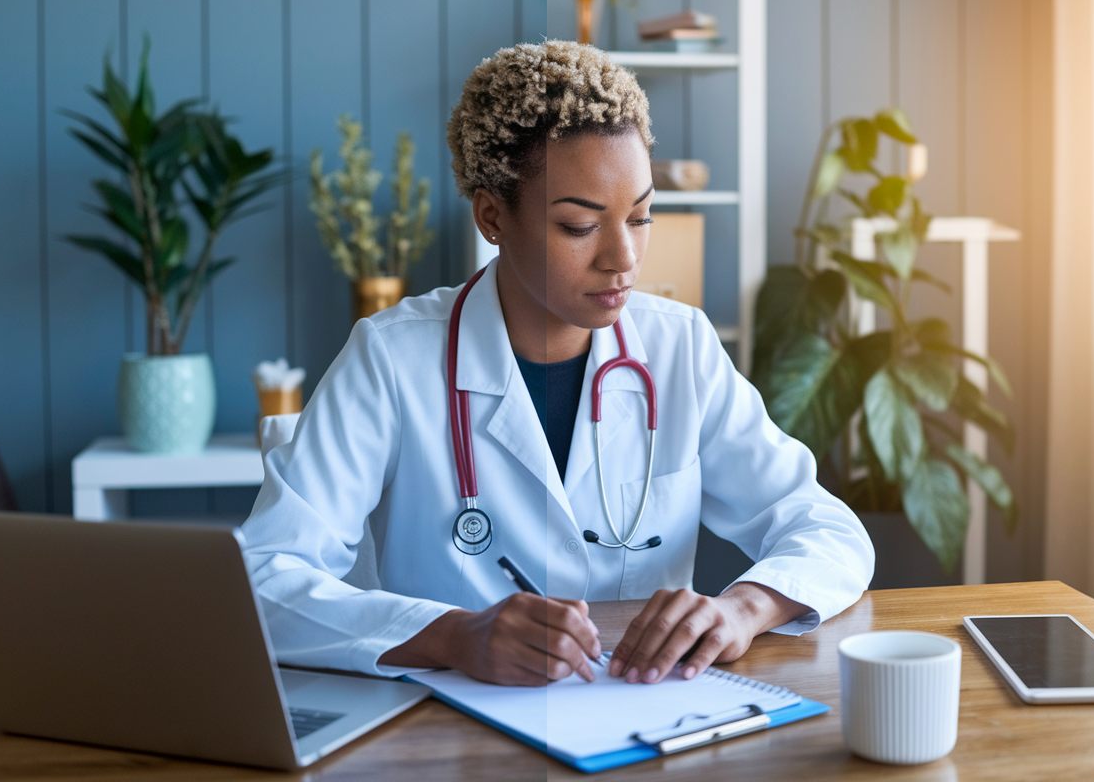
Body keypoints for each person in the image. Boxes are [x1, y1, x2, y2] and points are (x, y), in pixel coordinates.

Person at [242, 41, 873, 688]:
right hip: (451, 729)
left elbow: (826, 529)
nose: (623, 257)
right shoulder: (392, 358)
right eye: (579, 226)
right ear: (493, 216)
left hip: (641, 716)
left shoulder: (680, 348)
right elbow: (264, 581)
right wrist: (455, 636)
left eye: (642, 215)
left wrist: (743, 609)